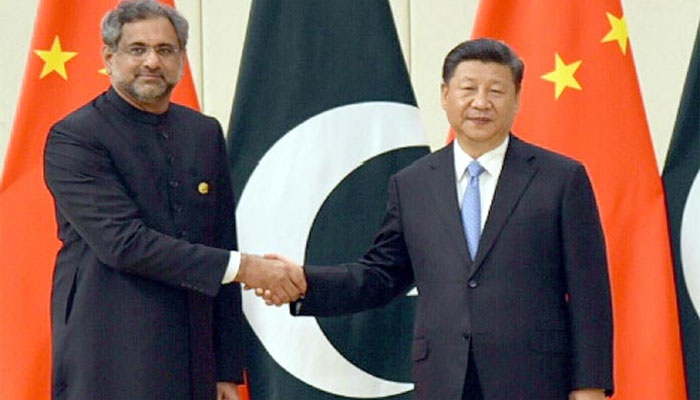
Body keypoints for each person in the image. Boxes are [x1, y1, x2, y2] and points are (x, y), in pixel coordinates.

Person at [265, 39, 613, 400]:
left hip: (534, 380)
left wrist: (589, 386)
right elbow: (380, 275)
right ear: (445, 95)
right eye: (468, 89)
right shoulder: (412, 184)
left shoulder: (560, 178)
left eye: (496, 91)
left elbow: (590, 293)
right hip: (444, 379)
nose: (481, 103)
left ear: (517, 99)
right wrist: (305, 282)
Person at [43, 1, 305, 399]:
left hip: (193, 357)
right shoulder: (76, 137)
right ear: (109, 57)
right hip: (111, 355)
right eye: (137, 49)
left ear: (181, 59)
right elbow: (124, 244)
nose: (152, 61)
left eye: (165, 50)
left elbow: (221, 238)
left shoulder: (203, 133)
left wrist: (226, 369)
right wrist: (246, 268)